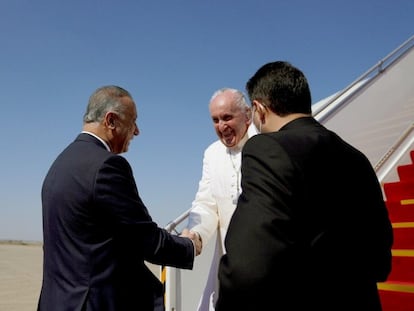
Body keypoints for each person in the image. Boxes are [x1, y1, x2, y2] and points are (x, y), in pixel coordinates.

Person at [215, 61, 393, 311]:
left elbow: (247, 267)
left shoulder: (266, 148)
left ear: (258, 109)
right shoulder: (357, 158)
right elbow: (380, 261)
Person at [37, 85, 201, 311]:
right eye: (132, 122)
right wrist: (189, 245)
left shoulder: (60, 164)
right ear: (111, 121)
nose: (137, 131)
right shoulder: (107, 166)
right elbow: (145, 239)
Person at [182, 88, 256, 311]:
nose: (221, 126)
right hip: (229, 260)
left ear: (247, 115)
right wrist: (195, 233)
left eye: (227, 117)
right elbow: (206, 203)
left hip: (265, 259)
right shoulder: (212, 153)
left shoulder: (266, 144)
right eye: (215, 120)